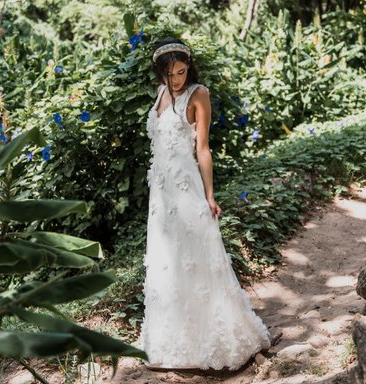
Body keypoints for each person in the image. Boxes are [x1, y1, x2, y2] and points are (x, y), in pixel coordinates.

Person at [140, 37, 271, 371]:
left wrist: (210, 195)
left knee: (196, 260)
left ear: (189, 67)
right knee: (167, 262)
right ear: (160, 73)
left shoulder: (198, 94)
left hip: (186, 188)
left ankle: (215, 342)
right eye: (170, 75)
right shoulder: (159, 94)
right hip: (161, 191)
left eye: (182, 72)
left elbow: (203, 149)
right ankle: (172, 343)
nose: (177, 80)